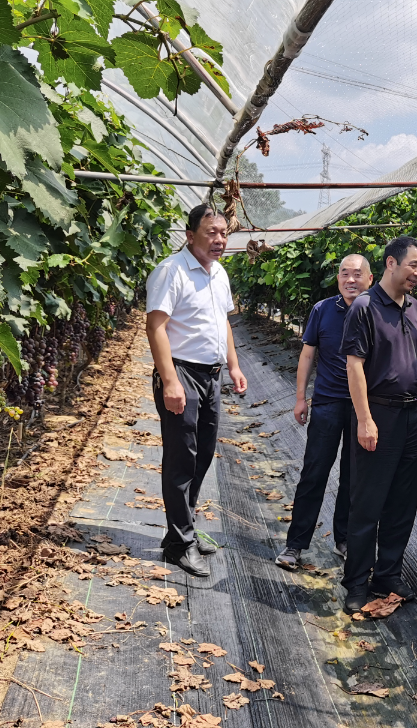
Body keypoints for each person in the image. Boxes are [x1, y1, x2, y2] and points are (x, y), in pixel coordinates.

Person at [146, 205, 248, 577]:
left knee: (202, 453)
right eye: (211, 232)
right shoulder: (171, 271)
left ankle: (183, 527)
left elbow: (223, 321)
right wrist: (169, 379)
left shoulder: (219, 273)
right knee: (181, 457)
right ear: (190, 235)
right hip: (183, 373)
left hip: (211, 375)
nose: (220, 240)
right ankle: (179, 543)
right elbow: (156, 327)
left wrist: (233, 365)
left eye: (223, 233)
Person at [339, 236, 417, 614]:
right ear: (391, 263)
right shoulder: (365, 307)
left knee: (402, 500)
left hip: (412, 415)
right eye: (413, 265)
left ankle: (388, 575)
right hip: (379, 413)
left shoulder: (412, 308)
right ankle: (357, 582)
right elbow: (354, 364)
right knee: (368, 500)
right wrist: (364, 420)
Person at [275, 254, 374, 571]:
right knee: (314, 472)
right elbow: (307, 356)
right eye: (345, 273)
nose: (351, 279)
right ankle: (295, 544)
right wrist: (300, 397)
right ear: (338, 279)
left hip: (363, 408)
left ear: (370, 279)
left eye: (358, 274)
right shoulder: (322, 310)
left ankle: (344, 540)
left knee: (354, 476)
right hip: (328, 402)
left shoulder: (376, 311)